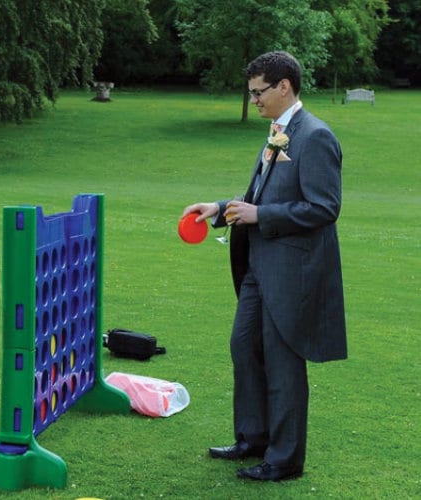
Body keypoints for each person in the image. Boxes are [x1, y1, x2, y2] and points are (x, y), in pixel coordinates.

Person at [182, 51, 346, 481]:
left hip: (292, 272)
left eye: (258, 92)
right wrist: (219, 208)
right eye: (252, 93)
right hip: (257, 265)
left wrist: (263, 217)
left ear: (284, 87)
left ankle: (284, 459)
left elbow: (325, 208)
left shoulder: (315, 136)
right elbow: (260, 194)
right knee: (244, 346)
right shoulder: (278, 132)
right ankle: (252, 438)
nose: (253, 100)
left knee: (282, 362)